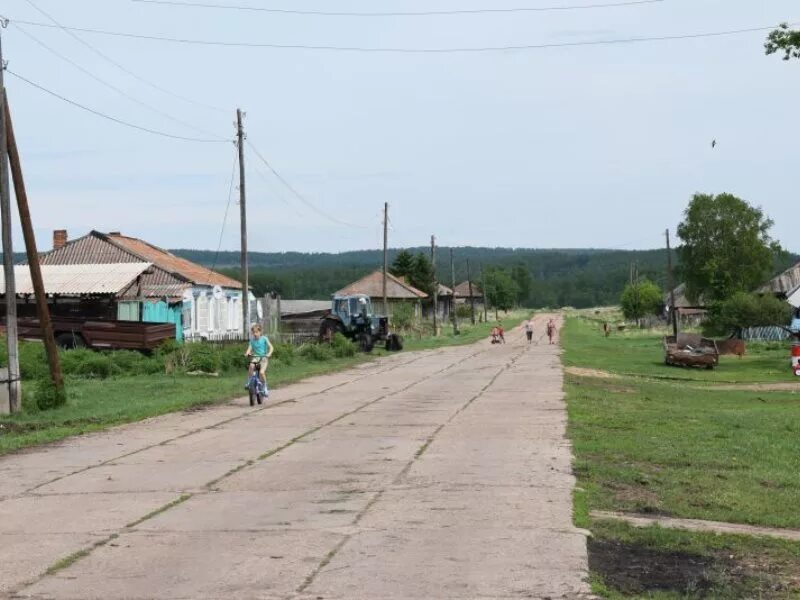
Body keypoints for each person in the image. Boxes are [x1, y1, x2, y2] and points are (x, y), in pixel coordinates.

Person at [245, 324, 274, 394]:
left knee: (261, 372)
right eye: (253, 332)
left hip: (264, 358)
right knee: (251, 366)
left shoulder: (264, 338)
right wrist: (247, 353)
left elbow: (271, 347)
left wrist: (269, 353)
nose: (255, 334)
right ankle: (249, 382)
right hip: (256, 357)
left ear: (260, 332)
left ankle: (265, 387)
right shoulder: (252, 341)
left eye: (257, 332)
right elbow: (249, 349)